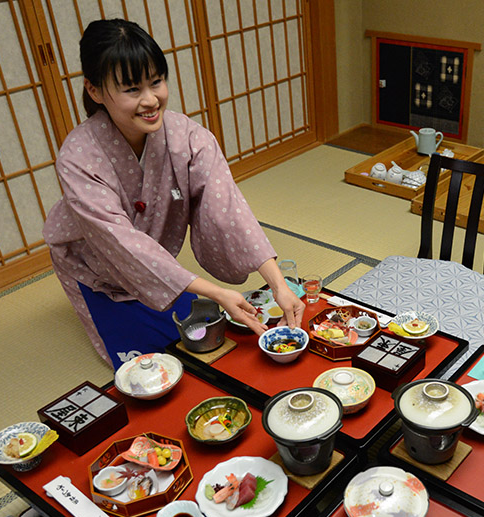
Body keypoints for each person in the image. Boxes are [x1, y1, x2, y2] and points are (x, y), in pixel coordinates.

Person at [43, 18, 303, 367]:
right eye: (132, 89)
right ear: (94, 91)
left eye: (157, 82)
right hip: (97, 267)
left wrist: (278, 283)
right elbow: (119, 241)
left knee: (207, 338)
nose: (151, 100)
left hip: (157, 267)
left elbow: (228, 210)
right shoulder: (79, 157)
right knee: (152, 363)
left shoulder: (188, 138)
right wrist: (216, 291)